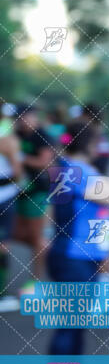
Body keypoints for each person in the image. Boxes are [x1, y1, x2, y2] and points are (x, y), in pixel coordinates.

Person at [40, 121, 109, 364]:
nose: (101, 146)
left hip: (76, 256)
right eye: (97, 139)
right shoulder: (77, 170)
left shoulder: (67, 167)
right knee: (69, 327)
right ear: (87, 142)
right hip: (73, 258)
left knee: (75, 324)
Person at [14, 105, 54, 292]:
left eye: (24, 117)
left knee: (37, 237)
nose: (21, 120)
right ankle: (49, 248)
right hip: (18, 193)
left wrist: (19, 158)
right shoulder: (16, 134)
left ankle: (37, 280)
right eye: (18, 117)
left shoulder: (42, 135)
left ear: (34, 117)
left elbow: (44, 163)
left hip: (38, 192)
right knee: (16, 234)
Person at [0, 104, 22, 312]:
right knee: (3, 245)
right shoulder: (8, 140)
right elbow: (17, 171)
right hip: (4, 196)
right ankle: (2, 295)